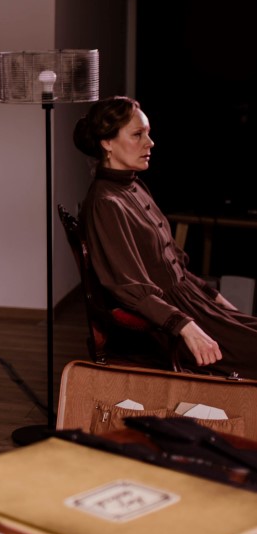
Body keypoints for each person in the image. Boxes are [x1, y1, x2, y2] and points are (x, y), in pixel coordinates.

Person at [74, 96, 257, 376]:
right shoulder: (106, 204)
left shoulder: (134, 186)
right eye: (137, 134)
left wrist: (216, 299)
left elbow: (174, 270)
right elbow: (127, 287)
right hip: (165, 323)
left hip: (192, 304)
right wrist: (184, 326)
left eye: (148, 133)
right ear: (107, 143)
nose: (150, 143)